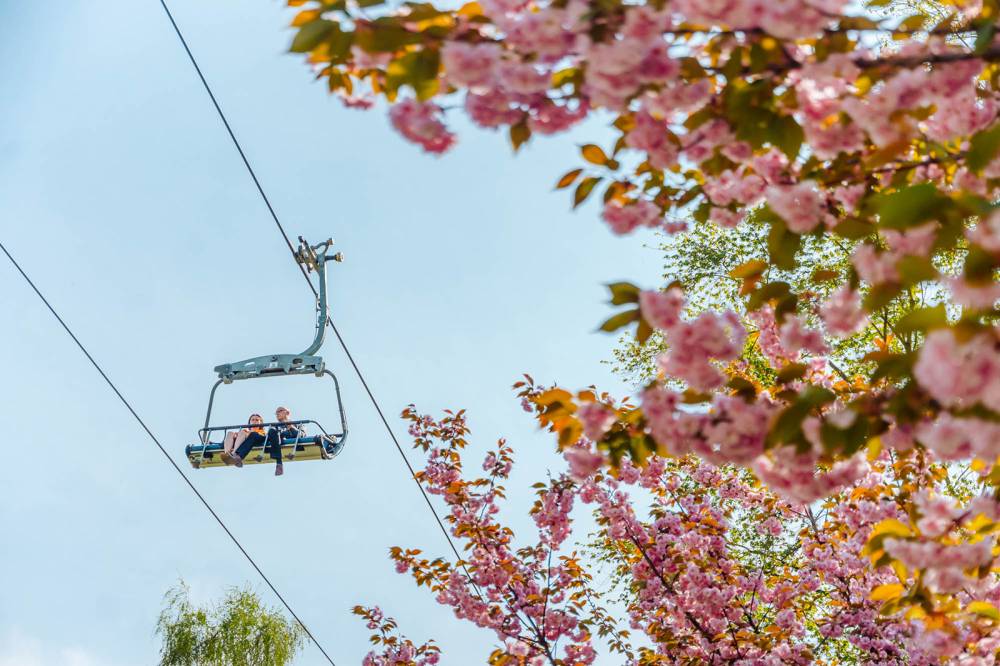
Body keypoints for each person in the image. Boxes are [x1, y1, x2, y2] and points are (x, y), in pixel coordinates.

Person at [222, 411, 287, 477]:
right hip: (245, 440)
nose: (254, 421)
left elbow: (263, 436)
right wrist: (236, 436)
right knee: (230, 433)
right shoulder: (245, 431)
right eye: (252, 420)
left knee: (252, 434)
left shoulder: (262, 432)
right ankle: (227, 454)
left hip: (259, 438)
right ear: (250, 422)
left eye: (257, 420)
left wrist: (248, 433)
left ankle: (235, 455)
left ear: (260, 422)